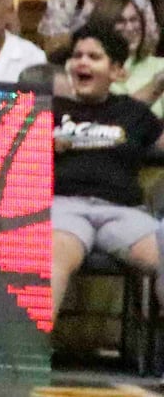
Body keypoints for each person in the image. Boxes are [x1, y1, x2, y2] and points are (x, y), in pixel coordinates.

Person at [50, 27, 164, 319]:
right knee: (51, 259)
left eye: (93, 57)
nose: (82, 63)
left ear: (116, 72)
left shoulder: (133, 113)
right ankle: (21, 360)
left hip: (123, 212)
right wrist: (40, 145)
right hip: (65, 207)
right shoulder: (51, 109)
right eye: (77, 56)